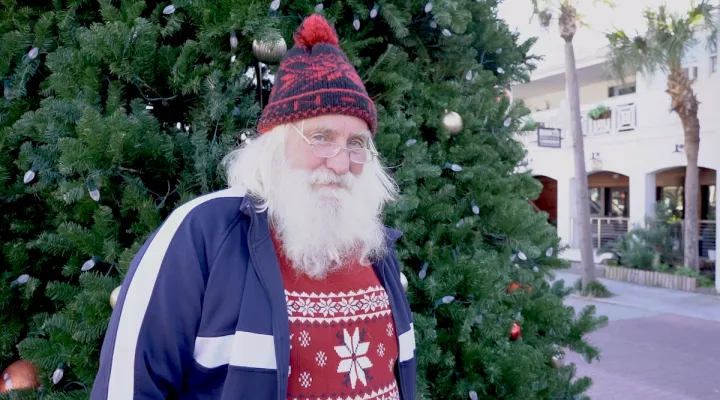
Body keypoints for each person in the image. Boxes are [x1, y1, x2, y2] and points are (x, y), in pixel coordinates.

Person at [91, 14, 416, 400]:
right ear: (277, 144)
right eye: (321, 137)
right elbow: (128, 389)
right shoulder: (202, 234)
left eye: (357, 144)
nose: (342, 163)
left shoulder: (374, 244)